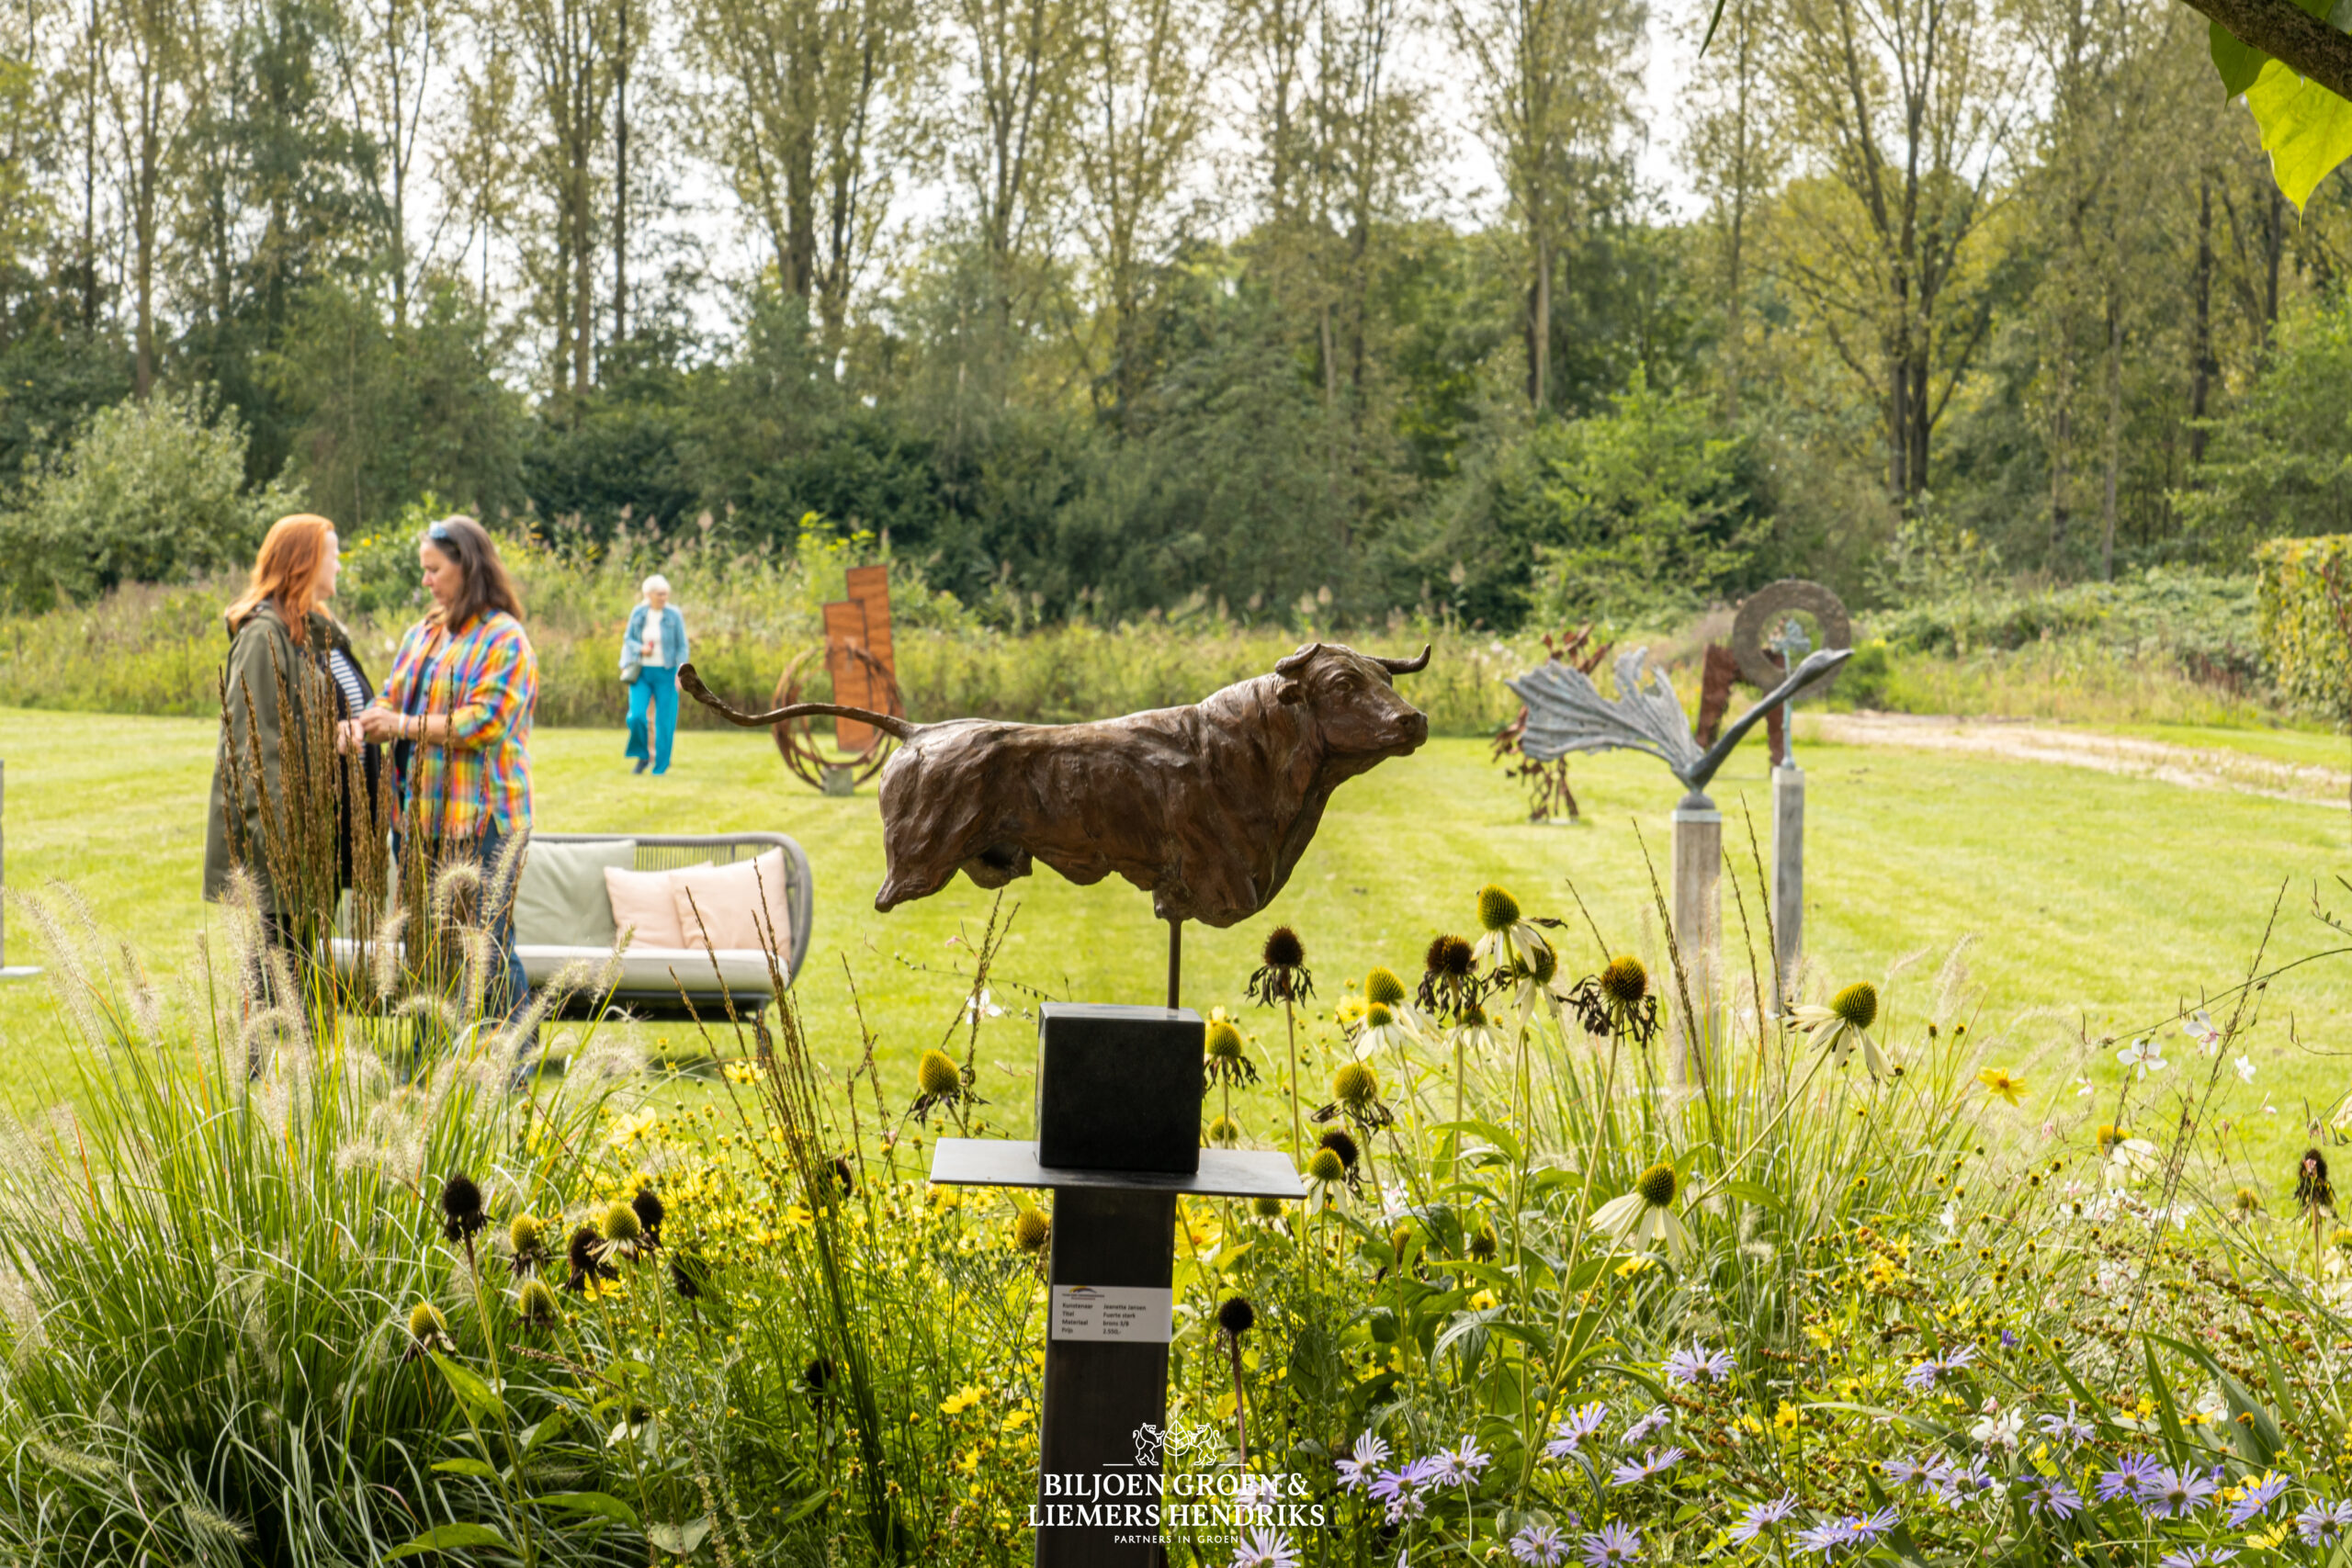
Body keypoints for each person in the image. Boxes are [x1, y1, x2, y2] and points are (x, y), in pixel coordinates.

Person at [356, 516, 537, 1035]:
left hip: (485, 820)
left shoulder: (505, 638)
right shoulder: (425, 632)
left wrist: (402, 725)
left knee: (487, 941)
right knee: (427, 945)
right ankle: (432, 1057)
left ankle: (511, 1060)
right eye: (424, 571)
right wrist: (368, 723)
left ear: (468, 566)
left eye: (434, 570)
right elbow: (392, 696)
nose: (426, 582)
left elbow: (486, 721)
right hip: (418, 820)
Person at [202, 514, 381, 976]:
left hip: (312, 840)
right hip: (284, 844)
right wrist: (285, 849)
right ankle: (262, 1054)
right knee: (275, 981)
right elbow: (255, 751)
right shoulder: (262, 637)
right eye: (334, 556)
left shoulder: (302, 631)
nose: (339, 567)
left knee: (295, 981)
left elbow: (298, 725)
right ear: (305, 561)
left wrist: (334, 736)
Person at [621, 573, 687, 775]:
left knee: (665, 721)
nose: (664, 597)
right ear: (648, 594)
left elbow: (682, 646)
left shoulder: (674, 615)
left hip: (666, 672)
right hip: (641, 672)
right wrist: (640, 649)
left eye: (666, 594)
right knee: (636, 717)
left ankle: (661, 766)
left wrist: (681, 671)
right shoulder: (639, 613)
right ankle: (643, 755)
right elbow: (628, 639)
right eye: (659, 594)